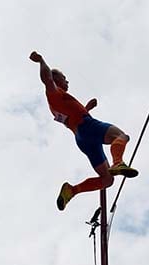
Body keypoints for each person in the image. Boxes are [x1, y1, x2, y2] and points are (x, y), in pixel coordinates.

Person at [29, 51, 138, 211]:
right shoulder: (54, 92)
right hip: (87, 126)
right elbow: (47, 78)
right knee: (122, 136)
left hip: (82, 138)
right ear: (57, 79)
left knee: (107, 180)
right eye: (64, 78)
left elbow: (70, 117)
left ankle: (71, 191)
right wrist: (41, 61)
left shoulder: (57, 104)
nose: (67, 81)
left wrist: (87, 108)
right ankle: (118, 162)